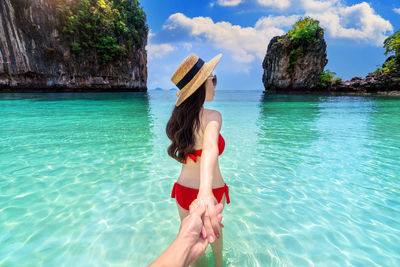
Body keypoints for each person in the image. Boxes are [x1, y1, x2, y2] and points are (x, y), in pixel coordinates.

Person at [166, 53, 230, 267]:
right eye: (213, 79)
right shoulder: (213, 116)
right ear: (202, 84)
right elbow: (211, 147)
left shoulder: (179, 119)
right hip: (211, 191)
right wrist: (205, 191)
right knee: (215, 244)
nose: (215, 84)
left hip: (184, 190)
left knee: (193, 249)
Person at [149, 200, 224, 267]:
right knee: (217, 255)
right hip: (212, 188)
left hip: (185, 189)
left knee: (198, 262)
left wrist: (186, 241)